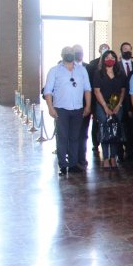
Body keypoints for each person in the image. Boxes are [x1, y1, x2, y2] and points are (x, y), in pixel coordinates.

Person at [43, 47, 92, 176]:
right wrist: (50, 107)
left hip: (78, 108)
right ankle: (63, 165)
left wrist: (88, 106)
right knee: (62, 137)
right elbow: (47, 91)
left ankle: (73, 163)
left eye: (71, 53)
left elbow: (87, 89)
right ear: (62, 55)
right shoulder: (54, 71)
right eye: (66, 53)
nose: (69, 55)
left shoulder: (82, 70)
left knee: (75, 137)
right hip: (61, 109)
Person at [93, 50, 127, 170]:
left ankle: (113, 157)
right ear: (103, 59)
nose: (110, 59)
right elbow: (97, 91)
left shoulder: (120, 73)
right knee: (105, 130)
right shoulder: (98, 73)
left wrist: (118, 105)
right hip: (102, 105)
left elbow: (123, 91)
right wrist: (105, 107)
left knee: (115, 130)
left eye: (112, 57)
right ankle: (106, 157)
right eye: (107, 57)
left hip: (117, 105)